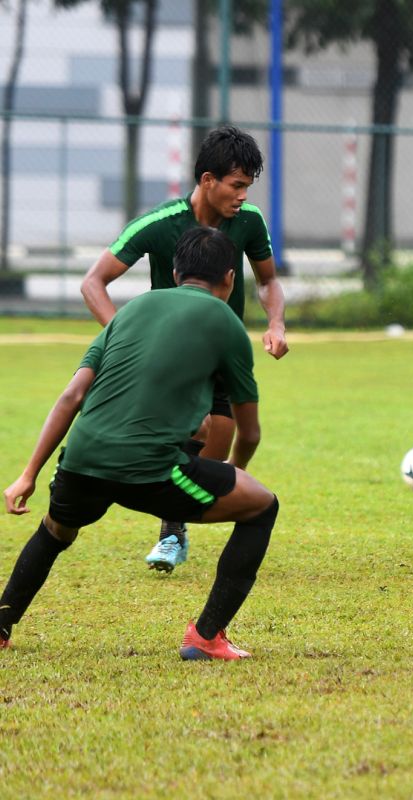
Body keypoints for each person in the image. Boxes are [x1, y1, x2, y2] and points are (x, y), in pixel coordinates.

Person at [2, 227, 279, 660]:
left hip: (79, 459)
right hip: (151, 470)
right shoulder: (226, 322)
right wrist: (233, 475)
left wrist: (28, 474)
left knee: (55, 531)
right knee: (262, 505)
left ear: (173, 271)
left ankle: (1, 624)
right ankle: (206, 637)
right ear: (229, 279)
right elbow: (250, 431)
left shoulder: (132, 310)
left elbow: (72, 396)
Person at [80, 125, 288, 572]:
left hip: (221, 345)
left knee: (221, 432)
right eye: (236, 186)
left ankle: (185, 514)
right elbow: (93, 282)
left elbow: (269, 280)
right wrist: (126, 337)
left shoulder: (248, 223)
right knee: (193, 430)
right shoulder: (160, 224)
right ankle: (172, 525)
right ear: (207, 180)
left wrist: (276, 323)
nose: (243, 197)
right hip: (169, 353)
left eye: (248, 187)